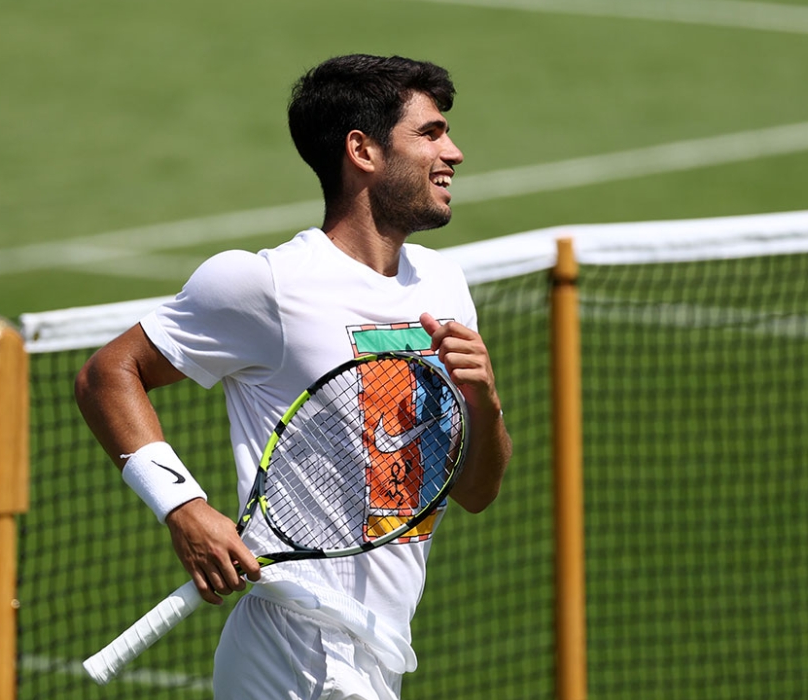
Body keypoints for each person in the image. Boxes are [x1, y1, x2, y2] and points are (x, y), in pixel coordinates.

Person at [75, 53, 512, 700]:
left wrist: (484, 402)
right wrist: (183, 507)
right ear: (362, 151)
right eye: (430, 133)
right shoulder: (266, 284)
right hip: (298, 654)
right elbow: (108, 373)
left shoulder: (443, 284)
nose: (454, 152)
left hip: (379, 650)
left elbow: (474, 492)